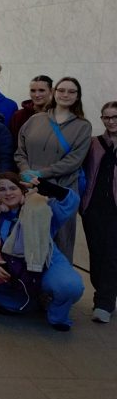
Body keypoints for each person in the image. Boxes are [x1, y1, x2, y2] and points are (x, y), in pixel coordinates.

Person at [0, 173, 84, 331]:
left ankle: (57, 316)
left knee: (69, 285)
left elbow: (71, 202)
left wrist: (47, 188)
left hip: (44, 263)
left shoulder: (40, 208)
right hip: (10, 268)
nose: (8, 193)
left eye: (13, 188)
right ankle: (21, 303)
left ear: (22, 190)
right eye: (2, 189)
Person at [15, 77, 91, 263]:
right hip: (31, 189)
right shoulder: (35, 120)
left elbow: (74, 161)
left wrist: (40, 174)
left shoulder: (82, 126)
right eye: (61, 90)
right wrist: (25, 171)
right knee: (29, 240)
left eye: (71, 91)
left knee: (60, 241)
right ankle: (30, 288)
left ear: (78, 96)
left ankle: (56, 290)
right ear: (54, 93)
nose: (65, 94)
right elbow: (20, 151)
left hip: (61, 193)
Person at [81, 101, 117, 323]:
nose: (111, 121)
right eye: (107, 117)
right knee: (97, 253)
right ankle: (103, 294)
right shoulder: (94, 144)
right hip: (93, 207)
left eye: (115, 117)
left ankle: (104, 302)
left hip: (115, 209)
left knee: (112, 254)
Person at [9, 75, 53, 143]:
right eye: (33, 91)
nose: (37, 95)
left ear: (51, 91)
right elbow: (13, 143)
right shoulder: (19, 116)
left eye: (41, 90)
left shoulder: (58, 115)